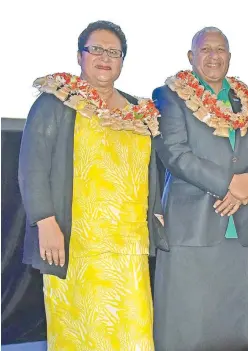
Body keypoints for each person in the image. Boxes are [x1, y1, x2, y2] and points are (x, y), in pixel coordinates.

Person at [18, 20, 164, 350]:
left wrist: (156, 210)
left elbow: (149, 169)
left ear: (122, 61)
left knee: (134, 336)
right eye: (95, 49)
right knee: (79, 336)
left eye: (113, 52)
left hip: (129, 248)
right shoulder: (56, 102)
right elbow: (33, 166)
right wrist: (45, 221)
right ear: (79, 56)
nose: (104, 57)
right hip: (74, 243)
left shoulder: (139, 111)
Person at [152, 26, 248, 350]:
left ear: (229, 57)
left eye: (220, 50)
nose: (213, 56)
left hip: (240, 224)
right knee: (188, 325)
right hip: (192, 225)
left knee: (234, 323)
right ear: (191, 57)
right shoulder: (170, 96)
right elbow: (175, 153)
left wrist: (245, 189)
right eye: (205, 50)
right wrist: (228, 184)